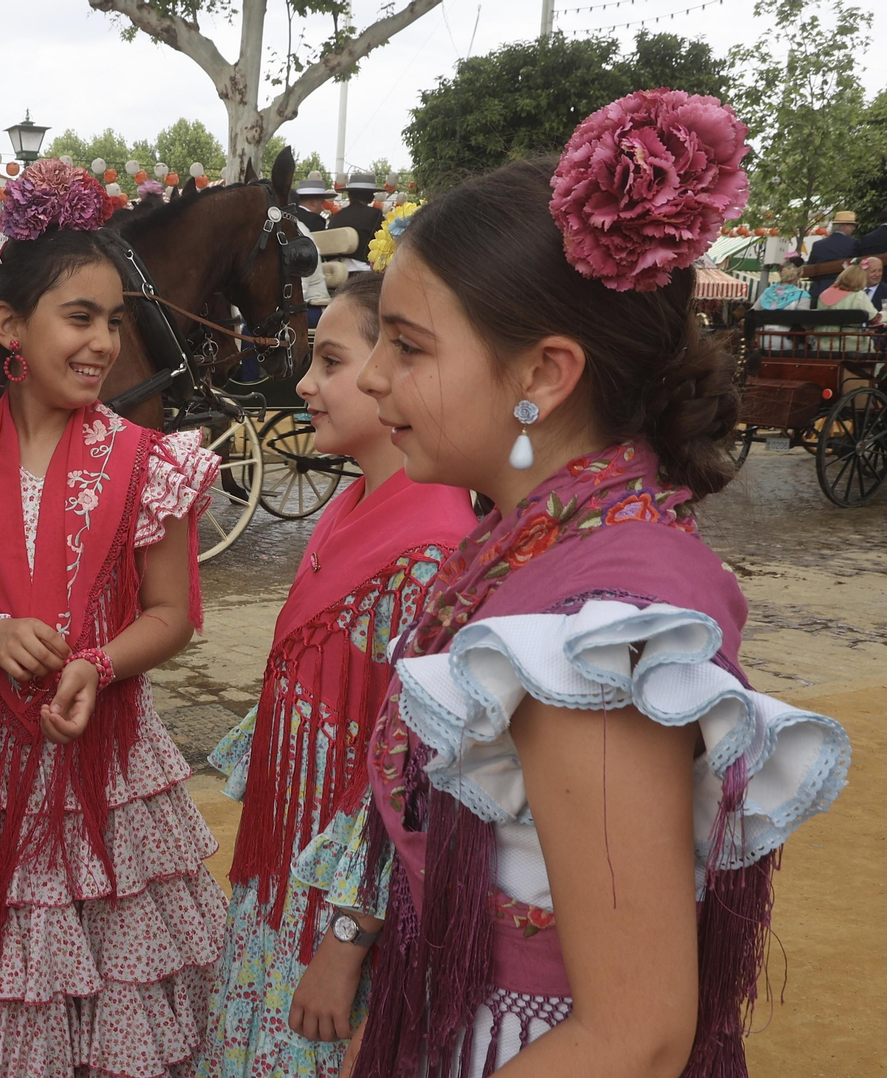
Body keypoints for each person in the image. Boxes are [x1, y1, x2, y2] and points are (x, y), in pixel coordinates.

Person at [339, 91, 850, 1076]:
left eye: (406, 345)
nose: (371, 378)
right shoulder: (543, 547)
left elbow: (633, 1033)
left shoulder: (596, 633)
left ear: (543, 373)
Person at [0, 160, 228, 1078]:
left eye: (115, 320)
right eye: (80, 317)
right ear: (10, 327)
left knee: (119, 998)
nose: (105, 343)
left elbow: (172, 613)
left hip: (110, 775)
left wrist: (99, 664)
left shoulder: (149, 463)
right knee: (0, 994)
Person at [201, 274, 475, 1078]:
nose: (305, 383)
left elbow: (414, 777)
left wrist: (349, 937)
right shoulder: (352, 502)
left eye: (328, 361)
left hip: (340, 916)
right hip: (288, 882)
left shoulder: (432, 549)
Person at [816, 262, 883, 353]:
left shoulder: (824, 294)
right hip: (850, 344)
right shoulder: (858, 296)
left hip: (823, 343)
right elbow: (875, 319)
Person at [326, 174, 383, 267]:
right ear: (371, 198)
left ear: (349, 196)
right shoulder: (375, 214)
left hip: (334, 269)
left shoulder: (336, 216)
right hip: (361, 270)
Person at [806, 210, 860, 299]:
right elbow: (855, 268)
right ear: (844, 226)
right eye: (852, 225)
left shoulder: (818, 244)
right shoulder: (853, 243)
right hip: (843, 289)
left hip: (819, 289)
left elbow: (811, 268)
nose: (854, 228)